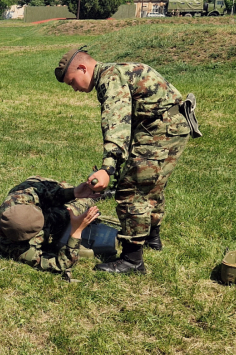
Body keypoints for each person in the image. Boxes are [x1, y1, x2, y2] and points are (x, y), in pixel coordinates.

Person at [55, 47, 192, 274]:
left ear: (82, 68)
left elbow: (116, 124)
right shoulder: (116, 71)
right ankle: (152, 238)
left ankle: (132, 260)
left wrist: (107, 168)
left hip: (160, 131)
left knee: (132, 191)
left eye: (72, 82)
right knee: (151, 186)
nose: (75, 88)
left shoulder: (109, 78)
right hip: (171, 127)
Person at [0, 176, 102, 276]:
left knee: (63, 190)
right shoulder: (21, 250)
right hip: (44, 220)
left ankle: (92, 194)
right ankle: (95, 197)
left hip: (39, 187)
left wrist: (72, 193)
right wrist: (76, 230)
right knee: (73, 210)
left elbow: (48, 194)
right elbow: (62, 264)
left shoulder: (17, 200)